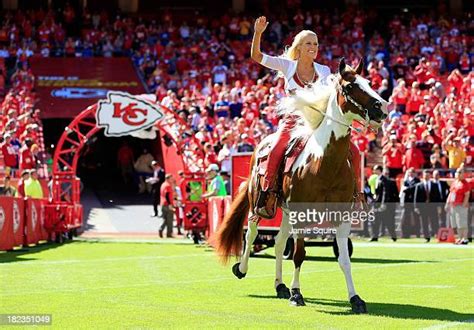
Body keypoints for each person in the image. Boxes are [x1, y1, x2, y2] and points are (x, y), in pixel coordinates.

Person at [250, 16, 362, 218]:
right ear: (299, 47)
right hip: (293, 121)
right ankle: (268, 193)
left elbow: (334, 97)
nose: (313, 47)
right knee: (276, 148)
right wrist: (258, 33)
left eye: (316, 44)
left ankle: (357, 195)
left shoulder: (324, 70)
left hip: (317, 122)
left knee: (354, 150)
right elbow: (257, 56)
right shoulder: (287, 65)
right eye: (308, 43)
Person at [371, 166, 398, 242]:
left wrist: (383, 204)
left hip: (382, 204)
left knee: (388, 221)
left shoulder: (384, 180)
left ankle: (393, 236)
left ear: (379, 170)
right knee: (376, 221)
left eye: (375, 169)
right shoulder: (377, 179)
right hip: (377, 203)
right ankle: (375, 236)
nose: (373, 171)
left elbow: (384, 193)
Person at [445, 167, 470, 244]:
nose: (458, 174)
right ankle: (459, 238)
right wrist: (447, 203)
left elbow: (467, 195)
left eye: (460, 172)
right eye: (457, 172)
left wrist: (464, 204)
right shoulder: (454, 182)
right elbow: (451, 193)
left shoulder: (465, 183)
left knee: (462, 223)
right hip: (453, 205)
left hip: (461, 205)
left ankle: (465, 238)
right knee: (456, 223)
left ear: (463, 174)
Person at [414, 170, 435, 242]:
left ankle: (434, 234)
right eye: (425, 175)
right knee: (424, 222)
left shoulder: (433, 185)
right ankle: (426, 237)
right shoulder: (419, 185)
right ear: (423, 176)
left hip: (432, 207)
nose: (426, 177)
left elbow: (437, 196)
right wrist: (416, 207)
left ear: (430, 176)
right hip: (423, 207)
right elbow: (416, 197)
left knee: (433, 221)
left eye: (428, 175)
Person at [400, 168, 420, 238]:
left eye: (412, 172)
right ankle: (406, 233)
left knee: (416, 217)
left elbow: (415, 188)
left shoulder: (417, 180)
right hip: (407, 201)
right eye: (409, 172)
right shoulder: (406, 181)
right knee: (406, 218)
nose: (411, 174)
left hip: (414, 201)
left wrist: (408, 189)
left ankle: (417, 233)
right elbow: (403, 189)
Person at [159, 174, 176, 238]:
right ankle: (169, 233)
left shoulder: (163, 185)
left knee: (165, 219)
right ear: (168, 179)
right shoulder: (168, 185)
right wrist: (170, 204)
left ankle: (161, 229)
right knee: (169, 219)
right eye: (171, 178)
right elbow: (167, 195)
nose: (172, 180)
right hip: (167, 204)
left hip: (163, 203)